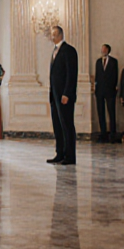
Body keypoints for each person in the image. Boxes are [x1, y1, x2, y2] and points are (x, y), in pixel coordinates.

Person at [47, 26, 78, 166]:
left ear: (59, 34)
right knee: (57, 126)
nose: (51, 37)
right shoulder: (54, 51)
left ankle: (70, 156)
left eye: (53, 34)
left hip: (65, 96)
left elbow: (71, 75)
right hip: (55, 96)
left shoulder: (69, 51)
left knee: (67, 126)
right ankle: (60, 153)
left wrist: (67, 93)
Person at [93, 44, 118, 143]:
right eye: (102, 49)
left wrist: (113, 88)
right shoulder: (98, 62)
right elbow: (97, 76)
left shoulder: (113, 61)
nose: (102, 50)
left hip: (110, 91)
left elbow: (115, 76)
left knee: (111, 112)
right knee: (101, 112)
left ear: (108, 50)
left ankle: (112, 134)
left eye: (104, 49)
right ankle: (103, 133)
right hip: (100, 91)